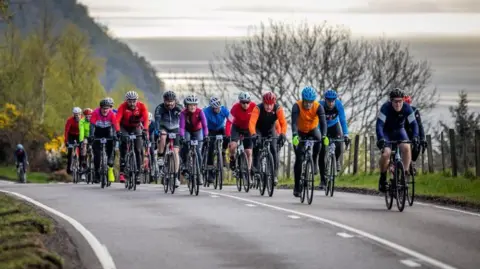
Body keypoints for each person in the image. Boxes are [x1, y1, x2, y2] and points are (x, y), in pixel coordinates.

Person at [376, 88, 420, 192]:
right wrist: (381, 138)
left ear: (403, 101)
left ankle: (403, 176)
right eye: (395, 101)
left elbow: (414, 124)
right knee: (386, 153)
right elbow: (379, 125)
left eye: (400, 101)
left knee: (406, 147)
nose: (398, 104)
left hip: (400, 131)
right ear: (391, 101)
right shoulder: (385, 108)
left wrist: (415, 136)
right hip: (387, 132)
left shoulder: (407, 108)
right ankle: (382, 177)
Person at [291, 86, 328, 197]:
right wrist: (294, 135)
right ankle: (297, 186)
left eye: (310, 102)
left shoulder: (318, 107)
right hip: (300, 132)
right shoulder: (296, 106)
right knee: (299, 159)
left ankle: (315, 160)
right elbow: (293, 123)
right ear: (303, 99)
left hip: (313, 130)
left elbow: (323, 123)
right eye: (306, 102)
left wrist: (325, 135)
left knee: (320, 140)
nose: (308, 105)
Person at [248, 91, 287, 186]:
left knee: (274, 149)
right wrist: (253, 134)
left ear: (274, 103)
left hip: (271, 129)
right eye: (266, 104)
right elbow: (252, 123)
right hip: (259, 129)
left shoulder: (278, 108)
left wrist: (283, 133)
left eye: (271, 104)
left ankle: (274, 175)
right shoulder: (258, 108)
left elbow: (283, 123)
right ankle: (256, 169)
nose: (269, 107)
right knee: (257, 145)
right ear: (263, 103)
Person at [318, 89, 351, 189]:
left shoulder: (338, 105)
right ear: (325, 100)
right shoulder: (320, 106)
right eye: (329, 100)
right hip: (322, 127)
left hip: (334, 126)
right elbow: (316, 121)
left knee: (339, 143)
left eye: (333, 100)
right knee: (322, 152)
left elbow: (342, 120)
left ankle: (336, 160)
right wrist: (320, 136)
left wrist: (346, 134)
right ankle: (323, 180)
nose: (331, 103)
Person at [116, 90, 149, 184]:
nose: (132, 103)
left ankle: (138, 173)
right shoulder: (122, 106)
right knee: (124, 144)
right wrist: (118, 131)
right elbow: (117, 120)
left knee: (138, 149)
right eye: (129, 101)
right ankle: (122, 169)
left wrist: (145, 130)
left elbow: (146, 119)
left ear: (137, 100)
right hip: (124, 127)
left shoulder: (141, 106)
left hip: (136, 127)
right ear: (126, 101)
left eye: (134, 101)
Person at [154, 90, 183, 187]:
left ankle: (175, 177)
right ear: (164, 100)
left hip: (175, 128)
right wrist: (157, 130)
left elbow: (184, 120)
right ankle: (161, 157)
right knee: (163, 136)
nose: (170, 103)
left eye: (171, 101)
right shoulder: (159, 108)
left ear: (175, 101)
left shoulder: (179, 108)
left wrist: (183, 131)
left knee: (175, 152)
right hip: (164, 127)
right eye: (167, 101)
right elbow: (157, 121)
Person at [179, 94, 208, 185]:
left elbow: (204, 125)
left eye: (194, 105)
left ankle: (199, 174)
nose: (192, 107)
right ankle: (184, 164)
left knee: (198, 152)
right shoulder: (183, 113)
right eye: (190, 105)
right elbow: (182, 127)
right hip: (187, 131)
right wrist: (182, 137)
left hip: (197, 131)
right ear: (186, 106)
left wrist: (206, 136)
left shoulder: (200, 112)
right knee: (185, 146)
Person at [226, 92, 256, 179]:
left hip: (248, 129)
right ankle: (232, 159)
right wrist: (228, 133)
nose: (245, 104)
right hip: (237, 128)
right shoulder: (235, 108)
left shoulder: (254, 106)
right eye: (243, 102)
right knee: (233, 146)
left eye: (247, 102)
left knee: (249, 152)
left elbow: (258, 119)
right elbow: (229, 121)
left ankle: (248, 171)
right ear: (240, 102)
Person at [88, 99, 119, 183]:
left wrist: (117, 134)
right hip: (97, 132)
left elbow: (115, 125)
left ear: (109, 108)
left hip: (107, 132)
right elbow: (92, 126)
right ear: (100, 108)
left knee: (111, 149)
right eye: (103, 108)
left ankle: (109, 164)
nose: (105, 110)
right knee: (97, 155)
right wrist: (91, 135)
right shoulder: (95, 113)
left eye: (107, 108)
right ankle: (97, 173)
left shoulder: (112, 114)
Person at [203, 96, 229, 183]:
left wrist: (230, 131)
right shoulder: (206, 112)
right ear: (211, 107)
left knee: (227, 137)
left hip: (221, 128)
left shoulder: (224, 109)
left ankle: (223, 152)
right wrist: (205, 135)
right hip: (210, 130)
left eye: (218, 108)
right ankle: (210, 171)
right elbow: (203, 124)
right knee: (210, 147)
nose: (217, 110)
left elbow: (231, 120)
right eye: (215, 108)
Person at [403, 95, 427, 166]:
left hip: (412, 133)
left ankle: (412, 163)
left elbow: (419, 125)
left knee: (417, 145)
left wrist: (422, 139)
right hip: (401, 133)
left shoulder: (414, 111)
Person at [64, 107, 82, 174]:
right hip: (71, 135)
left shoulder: (83, 120)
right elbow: (66, 131)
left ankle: (80, 166)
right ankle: (69, 168)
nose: (77, 116)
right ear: (73, 114)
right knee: (70, 151)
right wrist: (66, 141)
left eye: (78, 114)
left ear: (81, 114)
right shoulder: (70, 120)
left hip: (79, 135)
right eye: (75, 114)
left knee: (81, 151)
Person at [79, 108, 93, 178]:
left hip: (93, 137)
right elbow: (81, 131)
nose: (88, 117)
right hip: (85, 136)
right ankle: (84, 162)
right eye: (86, 116)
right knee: (84, 145)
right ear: (84, 116)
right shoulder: (82, 121)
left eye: (90, 116)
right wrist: (81, 140)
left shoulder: (94, 120)